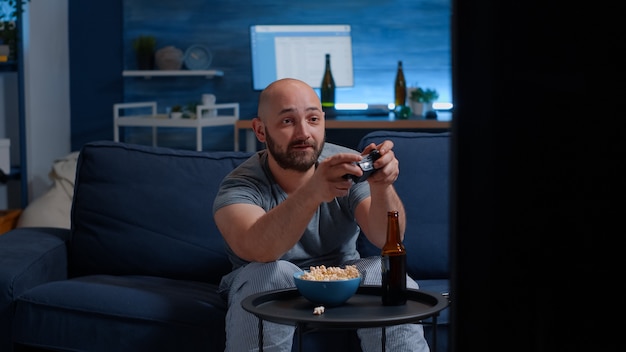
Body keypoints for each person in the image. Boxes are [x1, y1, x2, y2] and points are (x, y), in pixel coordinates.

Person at [213, 78, 429, 352]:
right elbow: (259, 250)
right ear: (260, 130)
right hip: (270, 283)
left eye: (313, 119)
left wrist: (382, 185)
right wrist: (313, 191)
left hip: (343, 280)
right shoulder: (240, 184)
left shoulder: (346, 164)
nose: (304, 133)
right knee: (270, 272)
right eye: (288, 121)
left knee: (382, 270)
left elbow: (384, 238)